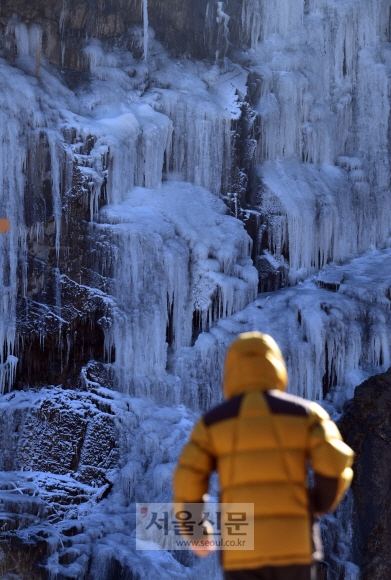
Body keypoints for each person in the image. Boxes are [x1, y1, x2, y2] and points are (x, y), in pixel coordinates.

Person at [173, 331, 354, 580]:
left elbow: (187, 480)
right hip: (294, 547)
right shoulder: (305, 414)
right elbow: (335, 461)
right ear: (276, 366)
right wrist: (320, 503)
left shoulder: (213, 423)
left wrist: (196, 533)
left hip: (242, 553)